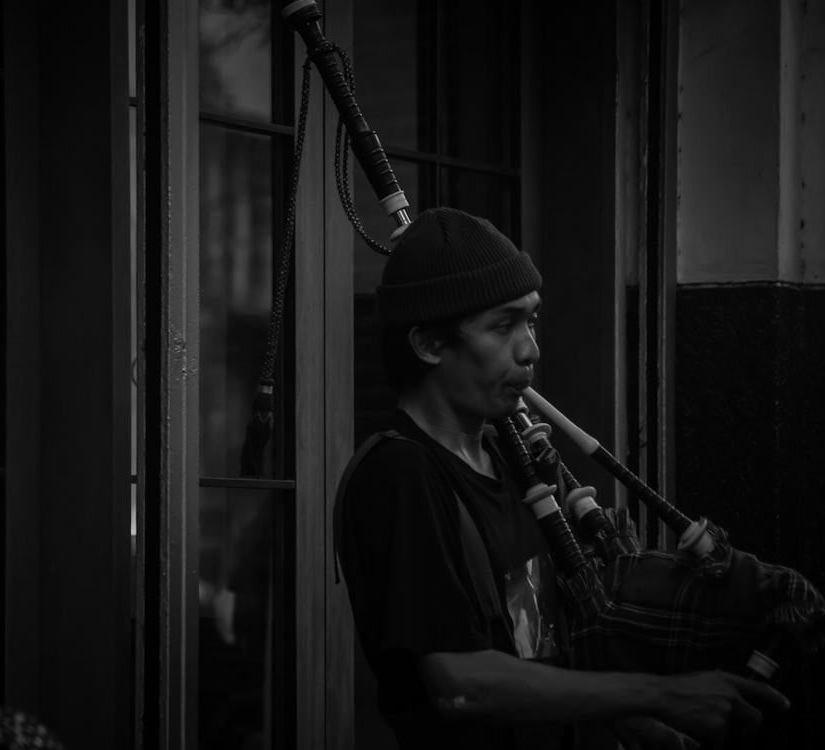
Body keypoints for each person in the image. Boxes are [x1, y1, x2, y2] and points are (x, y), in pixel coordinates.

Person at [334, 207, 790, 750]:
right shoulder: (401, 475)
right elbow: (460, 686)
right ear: (430, 345)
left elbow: (534, 647)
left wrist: (632, 724)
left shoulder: (510, 464)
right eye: (503, 326)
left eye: (531, 321)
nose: (530, 349)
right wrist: (658, 695)